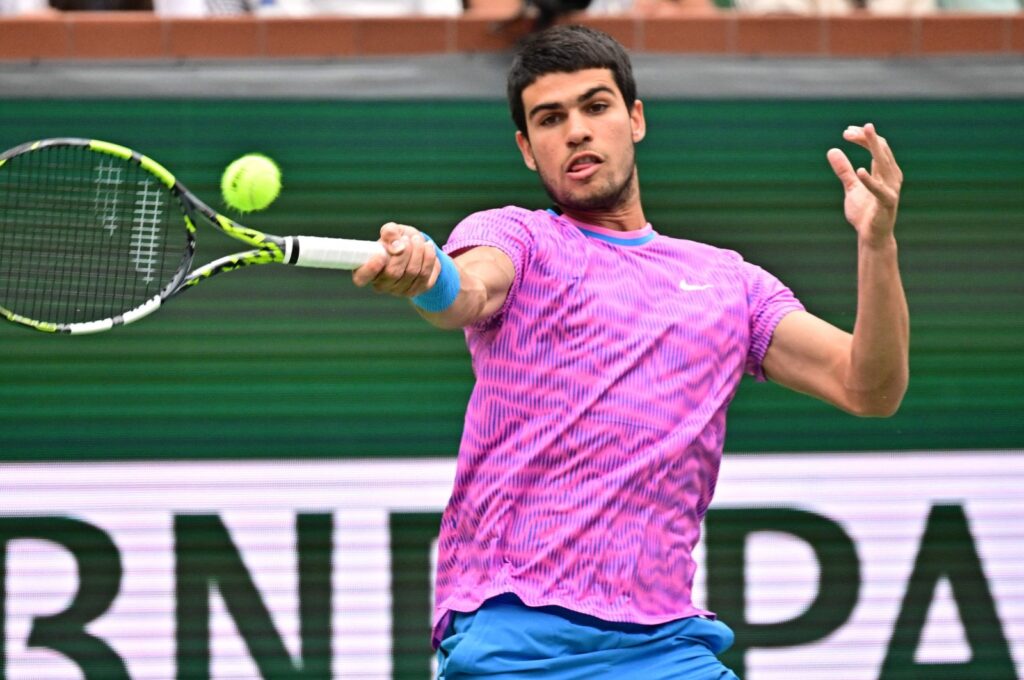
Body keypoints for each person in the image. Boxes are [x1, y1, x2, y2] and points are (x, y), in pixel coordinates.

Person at [353, 24, 908, 679]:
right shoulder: (517, 237)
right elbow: (467, 290)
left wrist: (877, 247)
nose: (577, 131)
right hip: (517, 639)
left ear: (635, 118)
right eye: (551, 119)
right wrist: (428, 273)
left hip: (666, 646)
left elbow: (868, 389)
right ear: (528, 150)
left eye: (596, 107)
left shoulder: (731, 282)